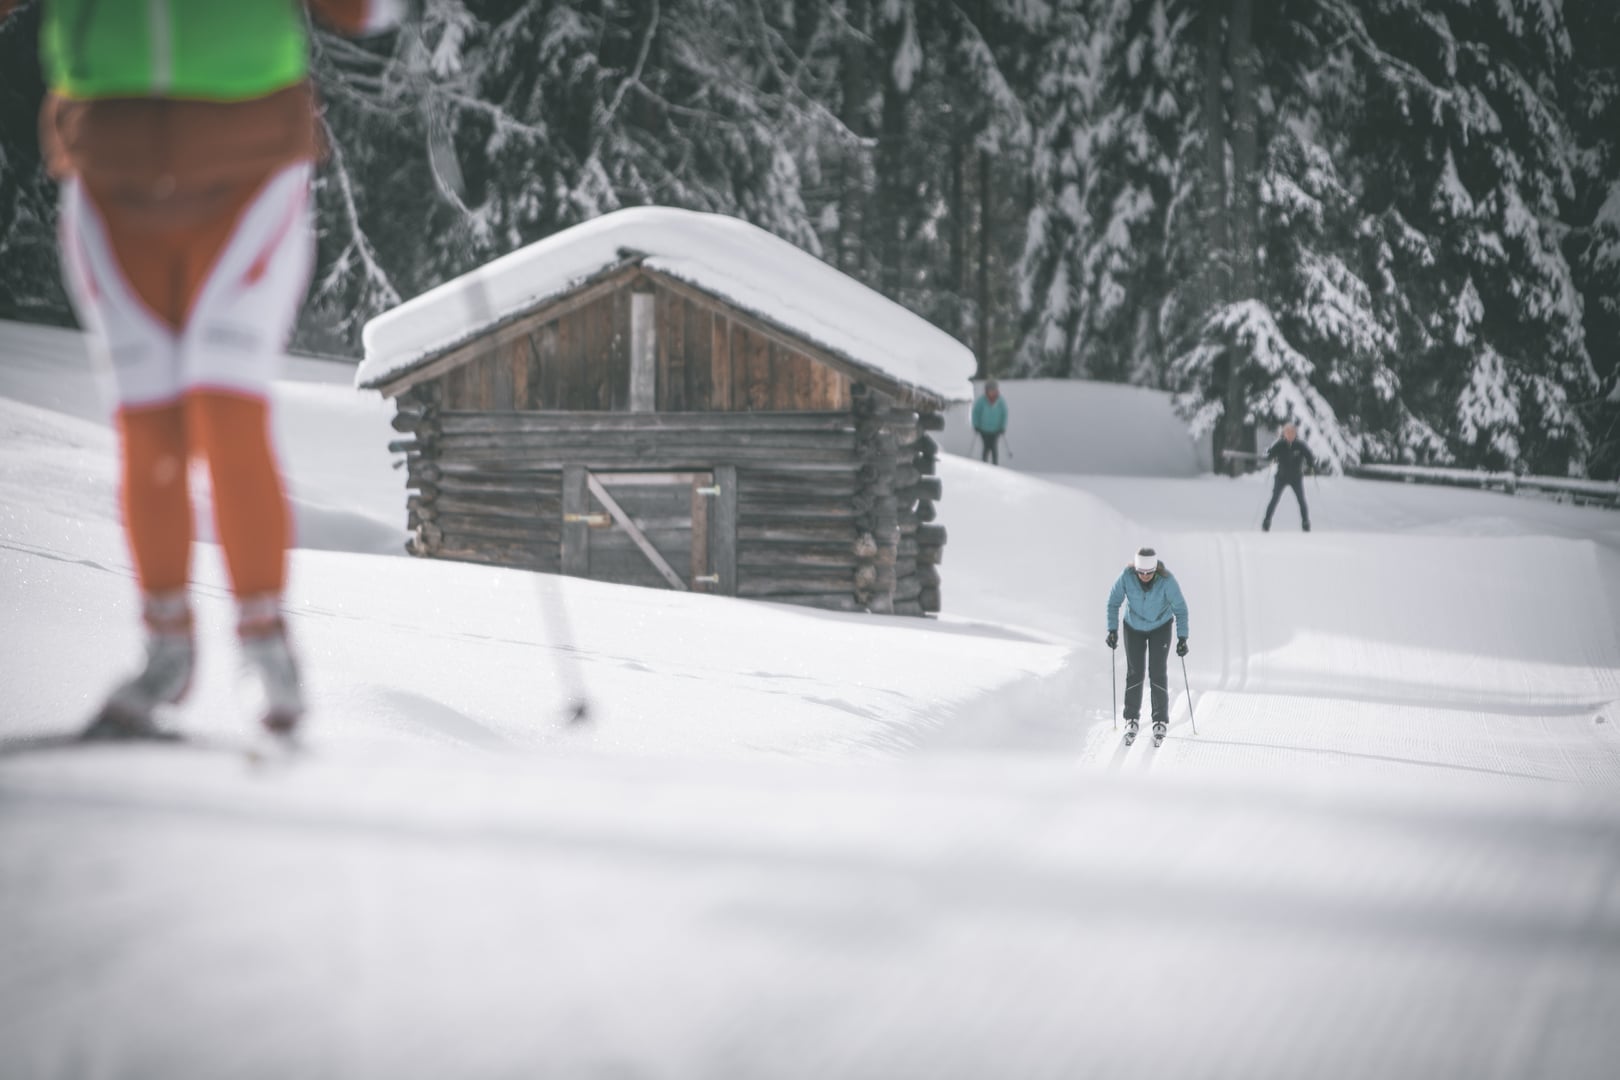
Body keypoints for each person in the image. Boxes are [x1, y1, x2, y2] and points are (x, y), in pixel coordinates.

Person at [40, 0, 402, 738]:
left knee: (225, 408)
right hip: (109, 171)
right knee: (150, 429)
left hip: (249, 169)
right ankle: (166, 653)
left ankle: (264, 647)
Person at [1105, 547, 1189, 746]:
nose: (1144, 576)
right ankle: (1131, 718)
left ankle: (1160, 720)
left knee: (1157, 672)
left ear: (1154, 571)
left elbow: (1180, 609)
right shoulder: (1126, 576)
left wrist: (1182, 637)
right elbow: (1113, 602)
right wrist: (1112, 630)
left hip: (1160, 626)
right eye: (1140, 572)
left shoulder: (1167, 581)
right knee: (1135, 672)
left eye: (1148, 573)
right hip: (1133, 626)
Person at [1261, 422, 1319, 532]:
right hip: (1281, 477)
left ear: (1295, 433)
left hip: (1296, 478)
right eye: (1287, 432)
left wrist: (1312, 463)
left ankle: (1305, 523)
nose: (1290, 434)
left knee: (1301, 500)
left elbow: (1309, 456)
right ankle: (1266, 522)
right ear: (1284, 433)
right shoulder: (1280, 444)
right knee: (1274, 499)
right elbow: (1270, 454)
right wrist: (1268, 455)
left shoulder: (1300, 445)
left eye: (1292, 432)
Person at [971, 378, 1009, 465]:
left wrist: (1002, 427)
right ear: (986, 390)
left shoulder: (1000, 401)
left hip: (996, 429)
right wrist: (976, 425)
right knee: (986, 447)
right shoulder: (981, 401)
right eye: (990, 390)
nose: (992, 392)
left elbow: (1004, 414)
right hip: (984, 429)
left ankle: (995, 465)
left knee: (994, 447)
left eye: (994, 390)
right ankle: (984, 464)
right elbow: (975, 413)